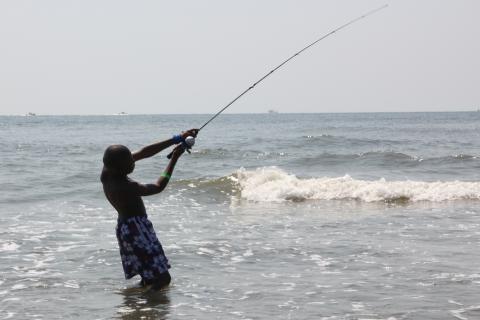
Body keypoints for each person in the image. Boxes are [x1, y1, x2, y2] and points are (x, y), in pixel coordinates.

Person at [101, 129, 198, 290]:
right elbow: (158, 187)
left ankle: (138, 305)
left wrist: (177, 139)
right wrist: (174, 158)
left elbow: (144, 152)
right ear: (122, 167)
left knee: (148, 275)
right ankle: (146, 307)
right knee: (163, 278)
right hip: (137, 230)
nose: (133, 161)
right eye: (130, 162)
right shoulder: (128, 186)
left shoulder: (107, 174)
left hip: (124, 228)